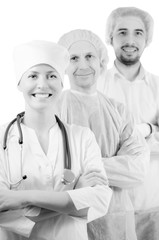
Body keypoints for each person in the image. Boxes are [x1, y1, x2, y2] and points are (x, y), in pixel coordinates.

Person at [0, 40, 112, 240]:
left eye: (52, 76)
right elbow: (2, 213)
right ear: (19, 83)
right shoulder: (2, 139)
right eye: (33, 75)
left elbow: (100, 201)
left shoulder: (82, 137)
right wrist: (74, 194)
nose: (42, 84)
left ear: (62, 83)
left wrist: (22, 197)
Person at [58, 29, 149, 240]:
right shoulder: (53, 109)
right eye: (74, 58)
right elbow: (48, 169)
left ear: (101, 61)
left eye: (89, 56)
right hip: (69, 217)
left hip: (115, 218)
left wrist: (83, 169)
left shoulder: (118, 110)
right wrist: (112, 165)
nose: (83, 65)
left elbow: (137, 168)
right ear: (63, 65)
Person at [97, 7, 159, 239]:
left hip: (152, 201)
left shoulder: (157, 87)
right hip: (108, 205)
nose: (130, 40)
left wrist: (138, 135)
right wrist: (150, 132)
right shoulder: (95, 86)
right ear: (110, 37)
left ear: (148, 39)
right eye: (122, 32)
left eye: (138, 33)